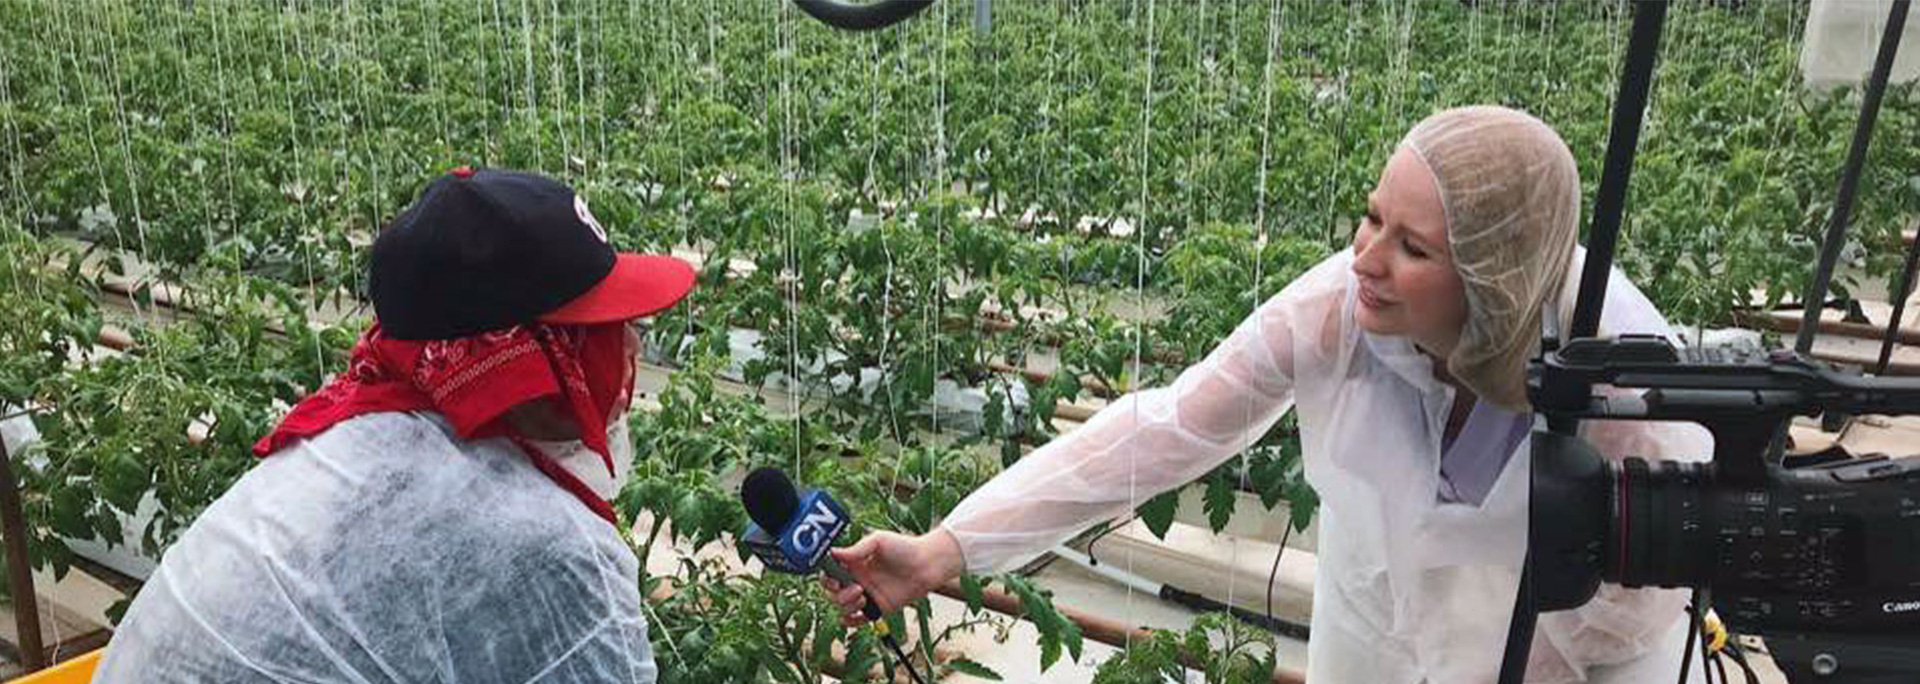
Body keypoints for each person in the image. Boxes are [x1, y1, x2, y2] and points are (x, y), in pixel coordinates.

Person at [820, 107, 1714, 683]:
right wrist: (947, 549)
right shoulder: (1337, 309)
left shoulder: (1620, 385)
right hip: (1373, 617)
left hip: (1559, 655)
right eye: (1371, 217)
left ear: (1493, 278)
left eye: (1413, 246)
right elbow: (1161, 434)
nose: (1365, 258)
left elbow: (1623, 623)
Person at [93, 167, 695, 684]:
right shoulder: (547, 547)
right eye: (603, 333)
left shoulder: (349, 439)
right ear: (528, 360)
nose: (632, 346)